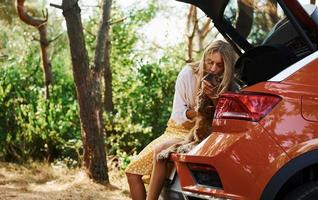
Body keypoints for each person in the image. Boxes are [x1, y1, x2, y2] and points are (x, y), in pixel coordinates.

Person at [125, 40, 238, 200]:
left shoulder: (228, 83)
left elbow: (224, 118)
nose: (213, 68)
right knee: (132, 172)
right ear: (204, 58)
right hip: (177, 129)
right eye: (210, 62)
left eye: (219, 65)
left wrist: (214, 99)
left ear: (227, 67)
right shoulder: (188, 74)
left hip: (201, 131)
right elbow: (179, 113)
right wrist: (201, 112)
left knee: (161, 151)